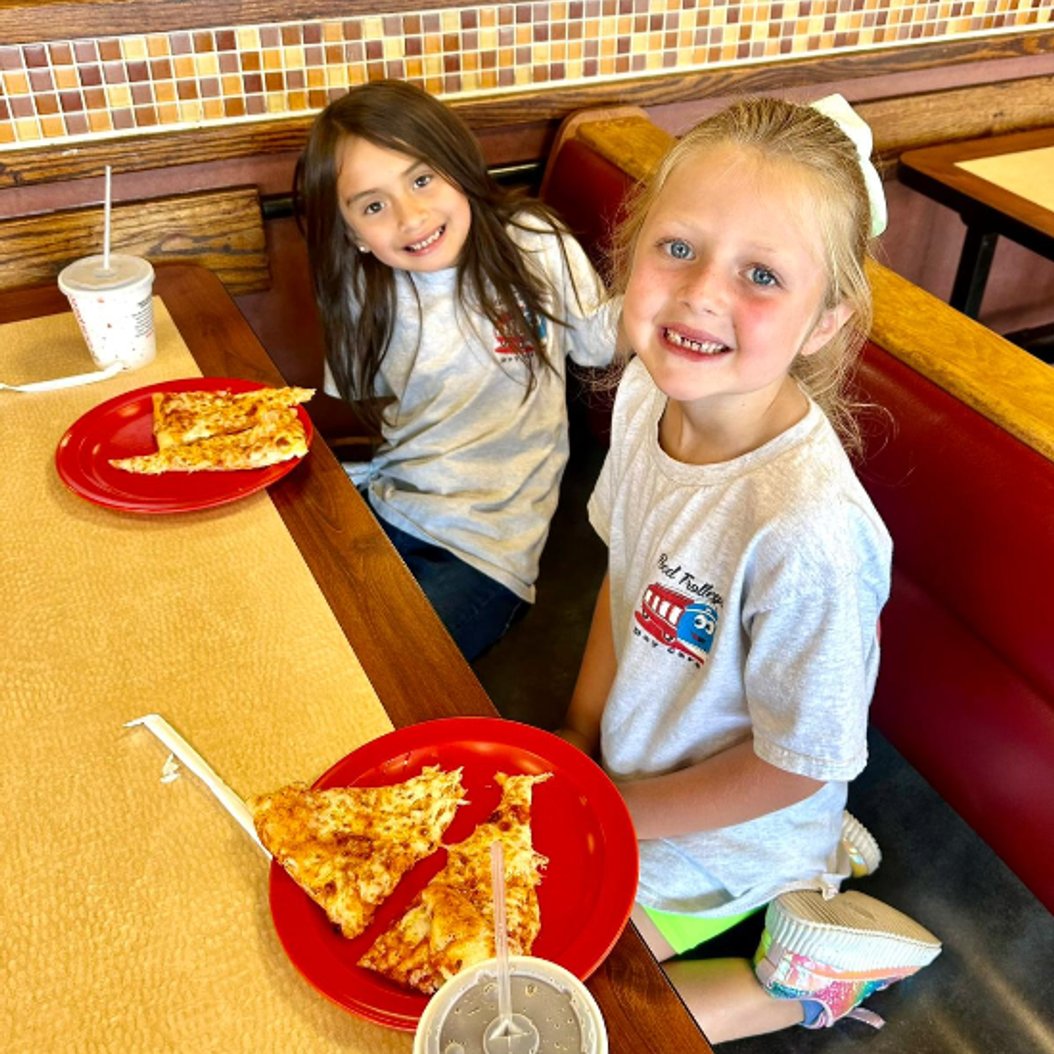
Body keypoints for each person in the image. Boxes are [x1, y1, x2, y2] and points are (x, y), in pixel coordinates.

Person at [557, 95, 940, 1043]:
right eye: (677, 248)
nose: (700, 294)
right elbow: (623, 584)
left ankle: (812, 972)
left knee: (569, 1019)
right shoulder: (651, 389)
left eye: (761, 274)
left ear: (823, 321)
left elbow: (794, 764)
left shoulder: (807, 528)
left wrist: (613, 812)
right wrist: (572, 745)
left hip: (730, 843)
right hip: (632, 789)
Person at [295, 80, 615, 661]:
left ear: (458, 166)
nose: (411, 216)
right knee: (301, 643)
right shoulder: (360, 291)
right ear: (352, 235)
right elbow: (365, 398)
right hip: (389, 504)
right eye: (374, 205)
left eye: (422, 180)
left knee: (393, 670)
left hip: (492, 548)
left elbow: (598, 348)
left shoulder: (535, 244)